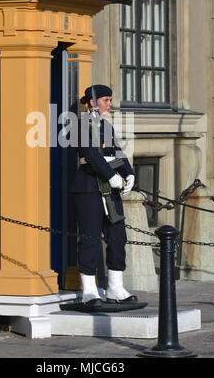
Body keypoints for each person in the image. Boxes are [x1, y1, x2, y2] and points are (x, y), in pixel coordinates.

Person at [70, 84, 137, 307]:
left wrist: (129, 174)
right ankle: (89, 291)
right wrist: (111, 175)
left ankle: (115, 288)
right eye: (106, 100)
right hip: (89, 187)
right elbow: (91, 154)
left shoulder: (106, 127)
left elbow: (118, 153)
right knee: (89, 239)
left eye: (110, 99)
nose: (109, 104)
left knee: (118, 237)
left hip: (111, 189)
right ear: (92, 102)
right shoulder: (79, 126)